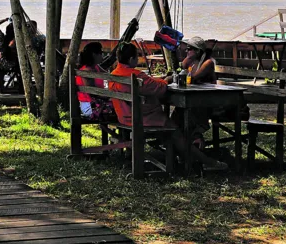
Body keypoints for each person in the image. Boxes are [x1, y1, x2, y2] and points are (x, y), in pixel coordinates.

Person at [110, 42, 228, 171]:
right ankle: (205, 161)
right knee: (175, 132)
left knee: (176, 120)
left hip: (124, 116)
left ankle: (184, 155)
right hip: (144, 118)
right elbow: (159, 89)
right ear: (132, 59)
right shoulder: (136, 75)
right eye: (136, 58)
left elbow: (149, 84)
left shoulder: (115, 73)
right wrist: (167, 80)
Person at [75, 42, 116, 120]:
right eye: (101, 53)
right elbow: (92, 94)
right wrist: (110, 95)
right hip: (90, 106)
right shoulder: (87, 71)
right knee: (122, 107)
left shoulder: (96, 67)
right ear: (94, 54)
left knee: (122, 106)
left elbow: (109, 76)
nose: (102, 55)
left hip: (98, 103)